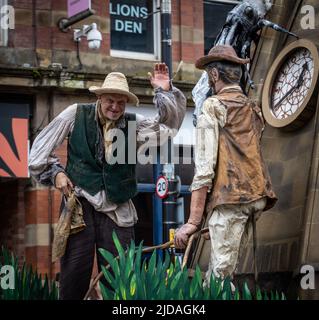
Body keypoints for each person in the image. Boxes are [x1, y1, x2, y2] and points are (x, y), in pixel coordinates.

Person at [29, 63, 186, 299]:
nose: (115, 107)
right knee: (74, 277)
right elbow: (38, 153)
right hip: (80, 206)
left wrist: (164, 92)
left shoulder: (133, 123)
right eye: (110, 100)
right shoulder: (75, 114)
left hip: (118, 207)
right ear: (100, 97)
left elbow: (167, 128)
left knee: (120, 279)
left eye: (121, 102)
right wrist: (56, 173)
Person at [174, 45, 277, 285]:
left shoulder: (212, 106)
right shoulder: (253, 108)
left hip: (232, 199)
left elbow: (204, 169)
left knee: (219, 280)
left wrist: (193, 222)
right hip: (257, 196)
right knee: (227, 269)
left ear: (214, 75)